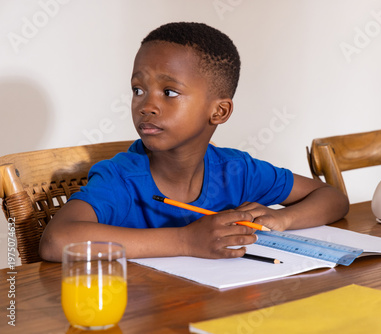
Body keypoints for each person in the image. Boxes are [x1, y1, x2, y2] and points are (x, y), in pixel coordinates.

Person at [39, 22, 349, 261]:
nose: (146, 104)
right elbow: (56, 240)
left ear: (219, 111)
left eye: (169, 92)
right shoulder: (121, 178)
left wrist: (283, 218)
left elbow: (332, 198)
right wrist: (186, 241)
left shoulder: (237, 171)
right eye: (138, 89)